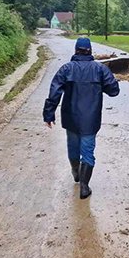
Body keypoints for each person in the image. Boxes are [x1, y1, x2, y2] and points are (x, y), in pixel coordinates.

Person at [43, 37, 120, 199]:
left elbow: (54, 92)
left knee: (73, 148)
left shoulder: (66, 69)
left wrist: (48, 114)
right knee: (88, 152)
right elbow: (114, 91)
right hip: (90, 120)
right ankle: (84, 187)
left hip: (70, 119)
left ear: (76, 50)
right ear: (90, 51)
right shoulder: (100, 69)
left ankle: (75, 171)